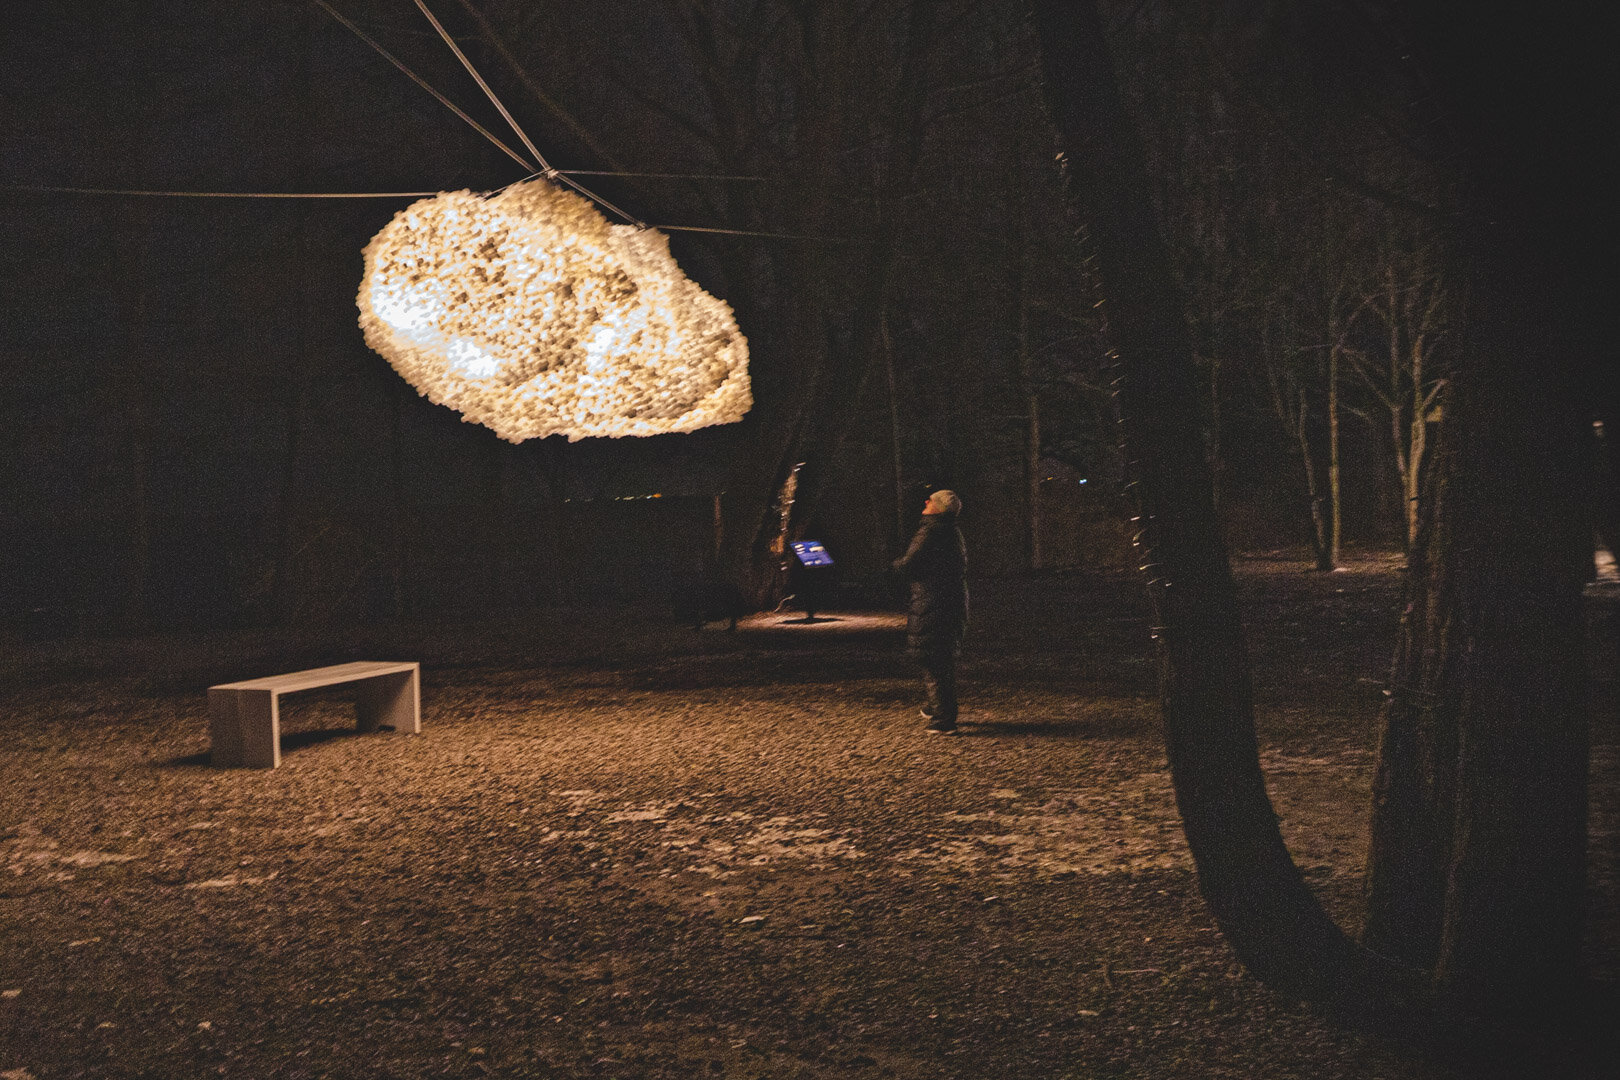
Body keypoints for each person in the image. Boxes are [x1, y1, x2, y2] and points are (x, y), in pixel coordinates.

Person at [892, 489, 968, 733]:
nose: (926, 502)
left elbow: (910, 564)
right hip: (949, 601)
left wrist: (895, 567)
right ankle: (937, 706)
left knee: (933, 658)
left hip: (932, 601)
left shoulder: (930, 531)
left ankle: (944, 718)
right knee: (939, 656)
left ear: (939, 509)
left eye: (931, 501)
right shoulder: (952, 532)